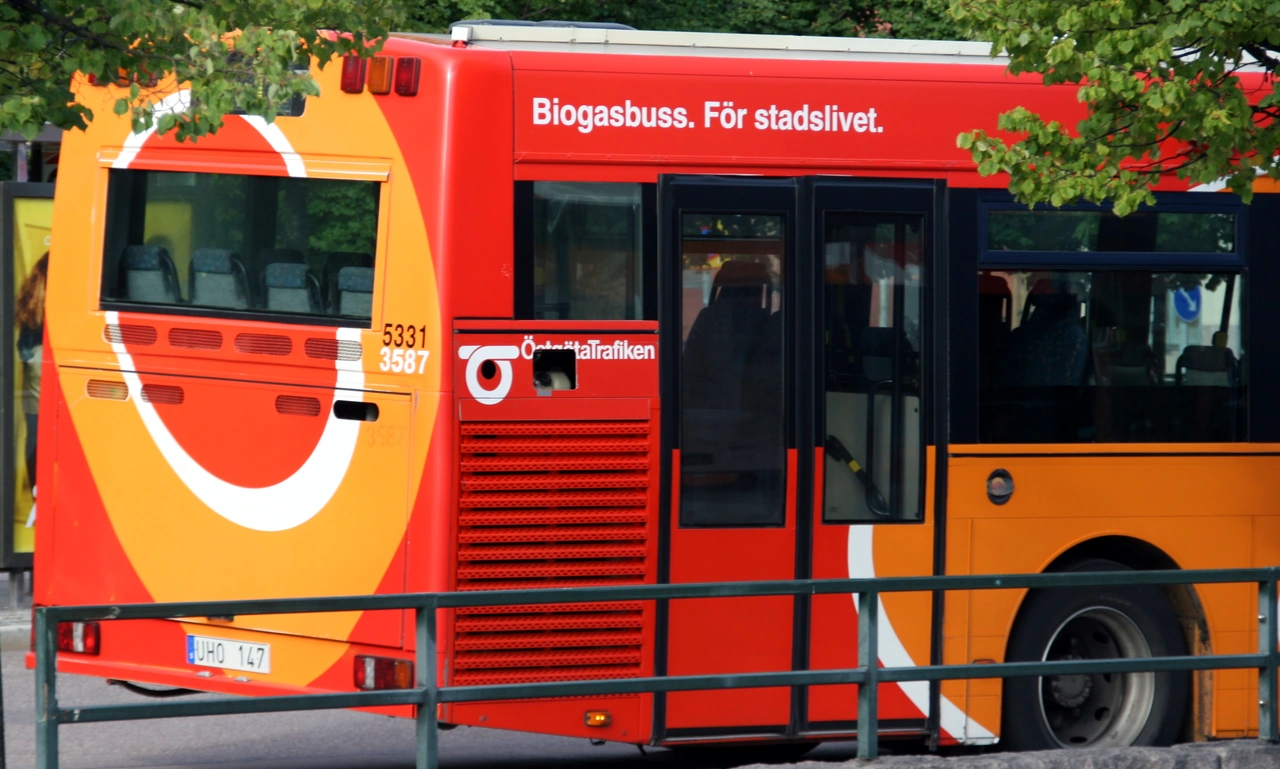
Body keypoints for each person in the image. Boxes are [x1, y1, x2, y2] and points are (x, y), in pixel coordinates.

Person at [16, 252, 47, 521]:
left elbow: (23, 344)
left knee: (34, 436)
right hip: (47, 369)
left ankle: (38, 497)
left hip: (33, 374)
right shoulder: (62, 292)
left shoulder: (32, 291)